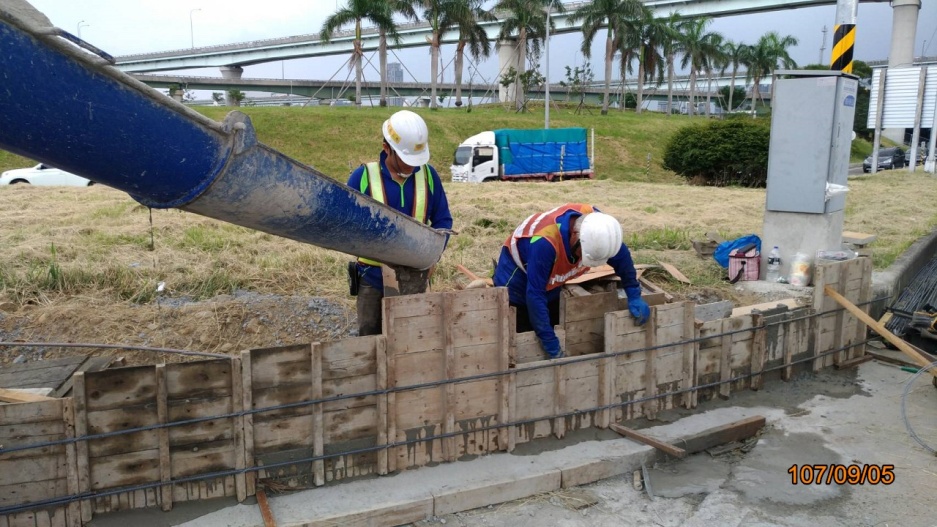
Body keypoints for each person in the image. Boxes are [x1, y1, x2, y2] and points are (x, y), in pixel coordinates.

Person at [493, 204, 649, 359]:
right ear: (575, 235)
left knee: (553, 312)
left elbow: (622, 258)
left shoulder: (600, 230)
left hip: (552, 277)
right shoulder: (545, 243)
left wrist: (634, 293)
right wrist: (549, 341)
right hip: (517, 278)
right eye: (584, 254)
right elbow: (535, 295)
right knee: (525, 336)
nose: (582, 260)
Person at [347, 110, 453, 336]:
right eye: (407, 161)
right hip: (372, 279)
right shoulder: (363, 177)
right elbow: (346, 225)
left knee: (411, 341)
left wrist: (434, 254)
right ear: (387, 148)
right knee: (370, 341)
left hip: (415, 278)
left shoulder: (428, 176)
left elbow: (443, 220)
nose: (412, 167)